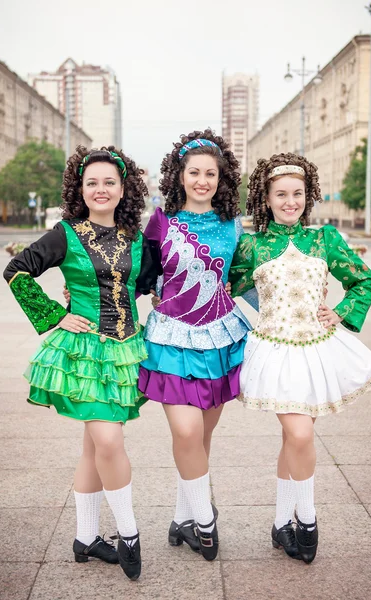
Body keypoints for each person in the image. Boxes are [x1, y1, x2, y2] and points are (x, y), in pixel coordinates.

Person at [3, 146, 159, 580]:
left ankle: (86, 537)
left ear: (123, 188)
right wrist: (56, 314)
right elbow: (17, 270)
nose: (101, 189)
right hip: (85, 352)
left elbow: (145, 285)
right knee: (109, 441)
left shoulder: (136, 238)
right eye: (92, 182)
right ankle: (128, 533)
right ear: (80, 189)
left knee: (95, 446)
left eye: (109, 181)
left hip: (126, 350)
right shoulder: (65, 233)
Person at [229, 153, 371, 564]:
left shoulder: (325, 238)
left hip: (319, 351)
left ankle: (282, 523)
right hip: (275, 350)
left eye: (297, 194)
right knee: (299, 435)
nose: (290, 202)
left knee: (293, 439)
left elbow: (365, 280)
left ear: (307, 195)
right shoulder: (252, 244)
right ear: (266, 198)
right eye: (281, 194)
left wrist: (341, 312)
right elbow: (222, 285)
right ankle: (309, 519)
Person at [139, 130, 251, 560]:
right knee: (185, 431)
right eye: (194, 172)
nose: (202, 180)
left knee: (201, 438)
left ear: (221, 179)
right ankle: (205, 521)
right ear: (179, 175)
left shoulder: (233, 225)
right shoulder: (160, 221)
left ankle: (183, 515)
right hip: (171, 336)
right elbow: (139, 276)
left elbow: (250, 278)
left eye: (211, 173)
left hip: (220, 337)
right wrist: (86, 300)